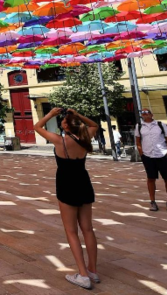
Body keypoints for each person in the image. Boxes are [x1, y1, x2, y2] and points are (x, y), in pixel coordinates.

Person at [35, 107, 99, 290]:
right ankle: (92, 269)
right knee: (88, 229)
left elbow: (37, 127)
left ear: (65, 126)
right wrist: (78, 114)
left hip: (66, 184)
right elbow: (94, 124)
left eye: (63, 120)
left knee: (71, 231)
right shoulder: (85, 137)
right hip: (84, 182)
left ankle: (83, 274)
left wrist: (50, 115)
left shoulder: (60, 141)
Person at [135, 109, 167, 212]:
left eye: (146, 113)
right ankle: (152, 201)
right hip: (148, 156)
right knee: (151, 179)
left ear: (152, 114)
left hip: (162, 155)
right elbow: (138, 141)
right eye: (143, 113)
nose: (144, 114)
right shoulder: (139, 126)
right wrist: (142, 154)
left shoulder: (160, 125)